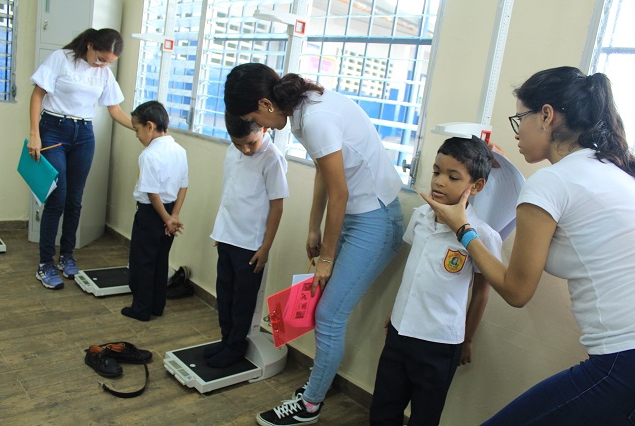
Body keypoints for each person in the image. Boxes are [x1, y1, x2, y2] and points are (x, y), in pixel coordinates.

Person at [421, 66, 635, 425]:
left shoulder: (551, 183)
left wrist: (463, 229)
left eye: (521, 118)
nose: (517, 131)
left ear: (547, 116)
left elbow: (517, 290)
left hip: (622, 359)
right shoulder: (612, 170)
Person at [224, 63, 405, 426]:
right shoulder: (303, 111)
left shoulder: (315, 117)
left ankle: (310, 405)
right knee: (326, 311)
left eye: (252, 117)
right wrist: (313, 227)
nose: (256, 126)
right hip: (359, 214)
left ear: (265, 102)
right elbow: (326, 172)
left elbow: (340, 192)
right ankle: (314, 393)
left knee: (328, 316)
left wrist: (327, 257)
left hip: (377, 218)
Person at [370, 137, 502, 426]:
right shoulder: (420, 217)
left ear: (476, 186)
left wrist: (467, 338)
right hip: (400, 332)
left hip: (440, 343)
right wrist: (398, 310)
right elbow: (414, 271)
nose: (439, 182)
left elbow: (481, 294)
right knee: (382, 409)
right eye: (436, 171)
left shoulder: (483, 236)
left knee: (425, 417)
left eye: (453, 176)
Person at [29, 28, 134, 289]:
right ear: (89, 46)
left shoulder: (103, 73)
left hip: (84, 134)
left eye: (109, 62)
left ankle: (67, 257)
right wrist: (35, 134)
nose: (103, 65)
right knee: (58, 198)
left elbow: (115, 109)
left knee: (75, 200)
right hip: (54, 130)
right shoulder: (61, 59)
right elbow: (38, 95)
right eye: (100, 58)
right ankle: (45, 264)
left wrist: (143, 128)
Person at [205, 112, 289, 367]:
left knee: (242, 300)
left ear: (263, 129)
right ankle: (225, 339)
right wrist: (221, 231)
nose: (245, 149)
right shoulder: (234, 150)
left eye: (250, 143)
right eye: (238, 143)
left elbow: (277, 206)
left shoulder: (272, 158)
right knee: (225, 294)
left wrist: (265, 248)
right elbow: (229, 192)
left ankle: (235, 347)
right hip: (227, 236)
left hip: (251, 246)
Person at [122, 101, 188, 322]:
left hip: (152, 214)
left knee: (142, 263)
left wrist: (166, 219)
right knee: (161, 261)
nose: (137, 136)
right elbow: (183, 186)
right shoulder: (180, 150)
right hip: (169, 212)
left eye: (137, 129)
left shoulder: (148, 155)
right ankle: (157, 306)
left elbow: (152, 194)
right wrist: (174, 216)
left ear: (149, 126)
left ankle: (140, 309)